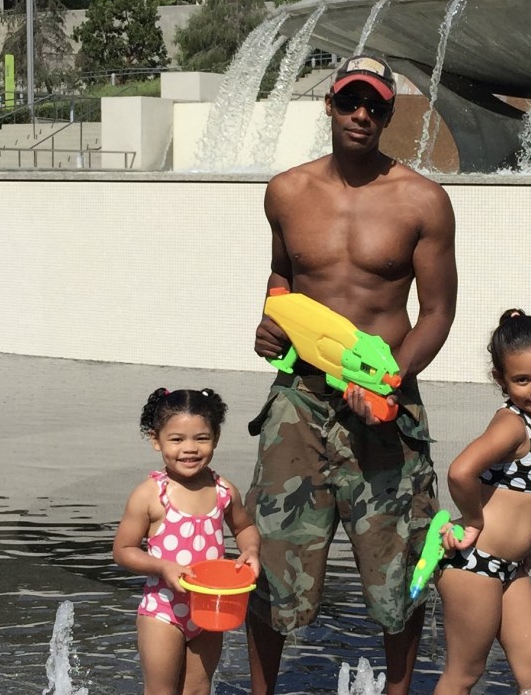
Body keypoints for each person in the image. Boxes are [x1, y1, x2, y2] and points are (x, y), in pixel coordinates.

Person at [245, 54, 458, 695]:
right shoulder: (286, 191)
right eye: (350, 102)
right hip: (300, 402)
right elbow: (285, 277)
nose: (362, 115)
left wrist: (389, 382)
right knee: (274, 560)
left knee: (398, 564)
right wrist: (271, 323)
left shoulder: (423, 199)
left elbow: (438, 312)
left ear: (389, 114)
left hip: (384, 402)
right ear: (330, 106)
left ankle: (395, 692)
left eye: (375, 106)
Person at [433, 309, 531, 695]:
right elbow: (460, 471)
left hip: (512, 567)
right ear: (501, 380)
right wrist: (472, 520)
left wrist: (525, 544)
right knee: (465, 674)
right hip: (473, 563)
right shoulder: (512, 424)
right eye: (522, 380)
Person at [113, 387, 261, 695]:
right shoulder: (151, 495)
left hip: (210, 610)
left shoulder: (223, 490)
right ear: (156, 440)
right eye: (177, 439)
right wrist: (163, 566)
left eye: (201, 438)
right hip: (163, 611)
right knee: (161, 691)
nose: (189, 449)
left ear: (216, 438)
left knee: (197, 690)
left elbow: (244, 527)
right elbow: (123, 551)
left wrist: (250, 550)